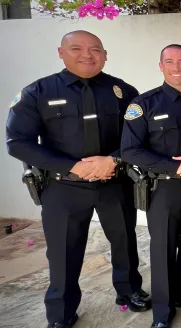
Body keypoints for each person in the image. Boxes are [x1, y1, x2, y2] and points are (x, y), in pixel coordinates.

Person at [5, 30, 150, 328]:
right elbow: (17, 142)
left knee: (124, 241)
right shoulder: (37, 92)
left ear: (105, 54)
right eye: (77, 48)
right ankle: (61, 311)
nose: (87, 54)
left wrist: (114, 159)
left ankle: (129, 292)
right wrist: (73, 166)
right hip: (63, 187)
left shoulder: (122, 91)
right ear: (61, 52)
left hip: (114, 182)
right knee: (64, 251)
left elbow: (139, 135)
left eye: (95, 49)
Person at [120, 44, 181, 328]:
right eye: (170, 62)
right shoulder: (144, 104)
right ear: (160, 66)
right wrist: (176, 167)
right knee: (162, 249)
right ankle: (163, 312)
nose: (177, 67)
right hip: (163, 189)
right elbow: (130, 151)